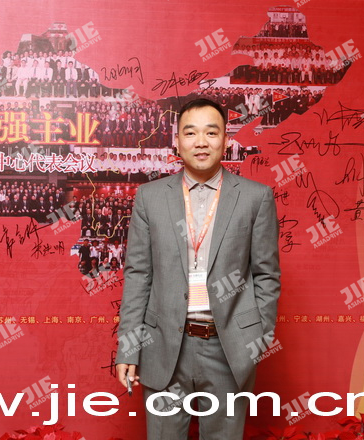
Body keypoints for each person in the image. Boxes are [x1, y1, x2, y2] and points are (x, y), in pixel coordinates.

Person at [116, 98, 281, 439]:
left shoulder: (256, 197)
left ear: (226, 140)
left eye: (211, 132)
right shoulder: (149, 197)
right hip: (163, 346)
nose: (201, 142)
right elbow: (138, 275)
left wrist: (256, 336)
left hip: (228, 348)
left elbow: (267, 274)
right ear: (177, 141)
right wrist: (129, 346)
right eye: (191, 133)